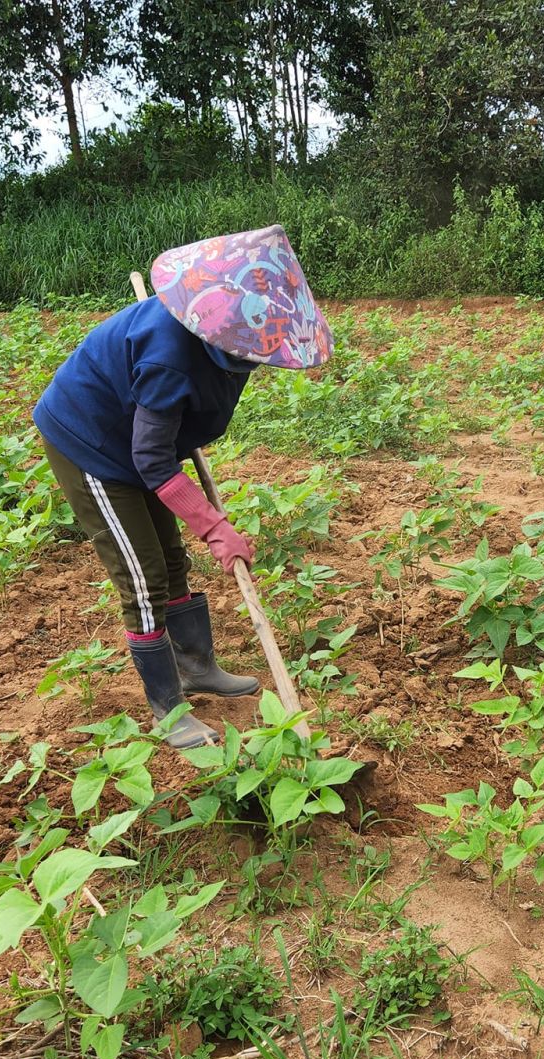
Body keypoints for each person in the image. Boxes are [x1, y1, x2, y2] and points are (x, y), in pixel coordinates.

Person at [32, 225, 333, 748]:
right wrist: (214, 526)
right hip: (93, 448)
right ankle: (168, 712)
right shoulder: (169, 355)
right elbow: (151, 458)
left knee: (172, 563)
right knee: (143, 579)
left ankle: (197, 667)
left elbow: (165, 435)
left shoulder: (225, 338)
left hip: (140, 443)